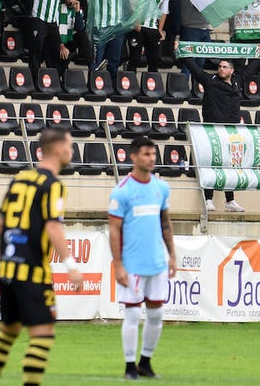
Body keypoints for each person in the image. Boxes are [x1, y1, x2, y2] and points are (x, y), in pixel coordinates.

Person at [0, 128, 84, 386]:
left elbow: (0, 223)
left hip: (8, 270)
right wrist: (71, 265)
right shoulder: (53, 185)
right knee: (42, 334)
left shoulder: (20, 178)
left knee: (9, 332)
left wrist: (6, 257)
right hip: (33, 273)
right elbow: (53, 227)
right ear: (59, 149)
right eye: (70, 146)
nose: (72, 151)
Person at [108, 136, 176, 381]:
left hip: (157, 261)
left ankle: (145, 363)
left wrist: (172, 256)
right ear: (133, 157)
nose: (151, 158)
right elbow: (114, 229)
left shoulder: (161, 188)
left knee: (156, 314)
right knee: (134, 315)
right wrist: (118, 265)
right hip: (133, 263)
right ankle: (129, 366)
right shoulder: (122, 191)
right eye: (146, 154)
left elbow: (165, 222)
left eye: (153, 154)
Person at [179, 46, 260, 212]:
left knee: (231, 164)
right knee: (212, 163)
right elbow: (194, 68)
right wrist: (182, 51)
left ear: (232, 70)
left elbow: (252, 67)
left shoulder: (238, 79)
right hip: (212, 129)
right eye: (219, 66)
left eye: (224, 67)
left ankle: (230, 201)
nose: (221, 69)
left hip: (231, 130)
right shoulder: (210, 80)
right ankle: (208, 199)